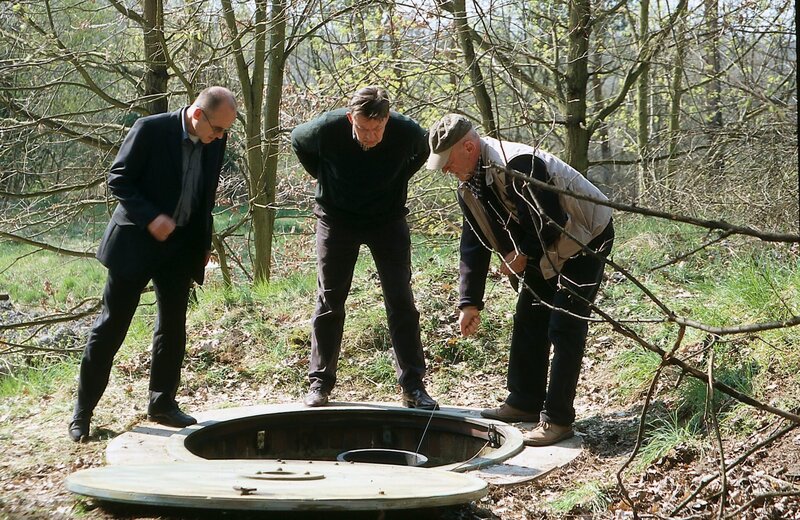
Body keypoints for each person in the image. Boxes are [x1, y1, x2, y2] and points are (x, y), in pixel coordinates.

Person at [426, 114, 613, 446]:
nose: (445, 170)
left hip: (585, 235)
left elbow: (551, 218)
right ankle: (525, 401)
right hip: (544, 246)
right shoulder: (469, 186)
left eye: (447, 162)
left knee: (564, 325)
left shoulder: (516, 164)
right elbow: (474, 244)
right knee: (529, 317)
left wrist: (522, 255)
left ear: (469, 147)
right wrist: (469, 303)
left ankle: (558, 420)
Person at [68, 87, 238, 442]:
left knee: (173, 327)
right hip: (136, 242)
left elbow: (203, 198)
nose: (221, 137)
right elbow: (119, 178)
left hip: (180, 245)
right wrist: (152, 218)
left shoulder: (214, 141)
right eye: (219, 129)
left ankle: (162, 403)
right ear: (197, 115)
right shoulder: (150, 129)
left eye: (225, 131)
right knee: (111, 326)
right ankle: (82, 414)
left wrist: (201, 246)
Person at [291, 86, 438, 410]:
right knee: (330, 299)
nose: (370, 136)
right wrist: (324, 175)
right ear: (349, 118)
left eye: (377, 129)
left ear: (387, 120)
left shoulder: (407, 131)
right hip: (336, 218)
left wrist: (397, 177)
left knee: (401, 299)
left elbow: (424, 151)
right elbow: (298, 141)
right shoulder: (326, 128)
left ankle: (413, 386)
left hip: (387, 219)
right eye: (362, 129)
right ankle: (320, 384)